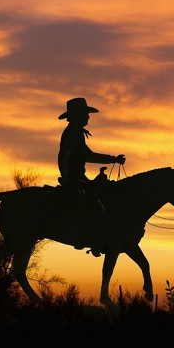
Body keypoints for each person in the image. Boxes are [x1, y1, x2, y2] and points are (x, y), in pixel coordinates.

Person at [56, 97, 124, 255]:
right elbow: (64, 156)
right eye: (85, 114)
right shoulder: (73, 133)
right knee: (95, 205)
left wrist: (113, 159)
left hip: (78, 178)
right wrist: (66, 179)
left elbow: (88, 155)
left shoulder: (76, 133)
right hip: (75, 179)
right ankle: (92, 239)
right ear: (78, 115)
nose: (88, 117)